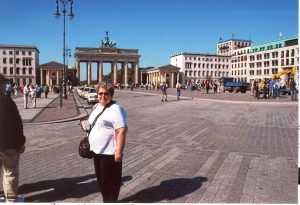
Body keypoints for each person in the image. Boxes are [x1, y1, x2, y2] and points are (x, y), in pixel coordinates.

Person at [87, 83, 127, 202]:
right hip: (97, 152)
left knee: (110, 185)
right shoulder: (96, 107)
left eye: (106, 93)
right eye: (100, 93)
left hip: (109, 154)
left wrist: (118, 152)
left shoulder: (116, 109)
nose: (103, 96)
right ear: (97, 94)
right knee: (102, 183)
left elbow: (121, 131)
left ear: (111, 95)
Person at [0, 74, 26, 202]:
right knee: (10, 172)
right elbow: (17, 123)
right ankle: (10, 200)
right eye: (4, 83)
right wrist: (21, 142)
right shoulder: (7, 101)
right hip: (8, 144)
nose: (6, 86)